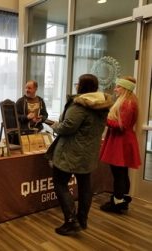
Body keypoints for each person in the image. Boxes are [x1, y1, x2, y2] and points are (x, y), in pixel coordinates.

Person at [46, 74, 112, 236]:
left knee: (60, 183)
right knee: (85, 187)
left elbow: (67, 127)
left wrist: (55, 125)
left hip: (70, 152)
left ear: (81, 86)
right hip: (88, 153)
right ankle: (82, 219)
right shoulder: (102, 105)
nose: (76, 86)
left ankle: (71, 221)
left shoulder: (79, 105)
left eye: (78, 83)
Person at [100, 76, 141, 213]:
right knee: (122, 173)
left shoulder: (127, 103)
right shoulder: (128, 101)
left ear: (125, 89)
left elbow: (120, 126)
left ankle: (117, 202)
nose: (115, 89)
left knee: (119, 174)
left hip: (121, 142)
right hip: (122, 140)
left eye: (118, 87)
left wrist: (104, 118)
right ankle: (121, 199)